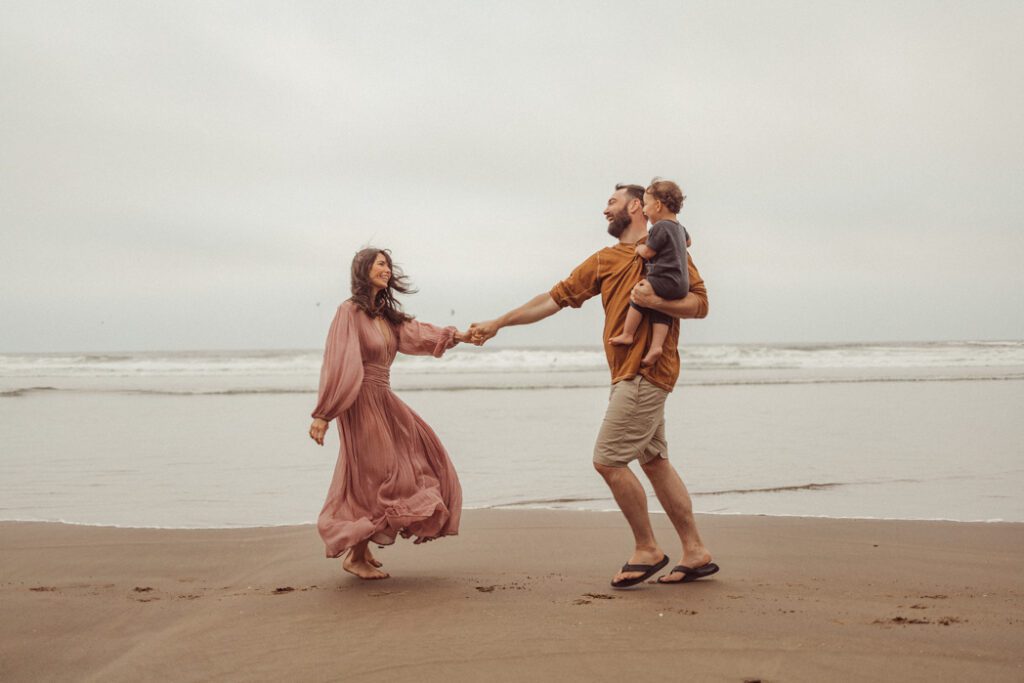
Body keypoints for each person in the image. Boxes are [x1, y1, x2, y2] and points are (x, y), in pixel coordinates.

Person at [470, 183, 718, 588]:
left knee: (607, 459)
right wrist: (499, 322)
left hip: (645, 371)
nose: (605, 210)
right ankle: (695, 550)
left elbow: (700, 304)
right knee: (654, 462)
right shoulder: (605, 260)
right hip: (627, 373)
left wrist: (658, 304)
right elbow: (551, 299)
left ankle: (647, 549)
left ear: (637, 206)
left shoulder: (669, 248)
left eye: (612, 202)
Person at [308, 248, 472, 580]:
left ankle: (362, 544)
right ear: (363, 269)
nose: (387, 268)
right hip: (359, 401)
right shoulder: (349, 312)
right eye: (381, 263)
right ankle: (354, 555)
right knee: (379, 474)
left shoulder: (385, 316)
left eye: (388, 264)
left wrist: (459, 336)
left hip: (383, 398)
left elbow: (418, 334)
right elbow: (339, 362)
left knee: (420, 453)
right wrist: (324, 413)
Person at [608, 178, 690, 368]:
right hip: (681, 284)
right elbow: (688, 243)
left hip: (664, 278)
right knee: (661, 310)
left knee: (639, 293)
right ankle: (656, 347)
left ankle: (628, 333)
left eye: (646, 205)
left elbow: (648, 252)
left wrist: (639, 249)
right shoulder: (680, 228)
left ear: (658, 205)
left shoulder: (659, 228)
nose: (644, 210)